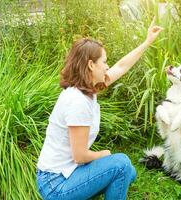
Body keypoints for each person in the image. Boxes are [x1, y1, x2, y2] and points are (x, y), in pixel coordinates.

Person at [36, 17, 163, 200]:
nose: (107, 66)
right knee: (121, 165)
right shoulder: (77, 101)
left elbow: (121, 66)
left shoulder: (87, 87)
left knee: (129, 173)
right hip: (56, 185)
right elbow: (80, 156)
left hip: (67, 174)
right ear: (90, 65)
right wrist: (104, 154)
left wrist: (147, 42)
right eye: (104, 62)